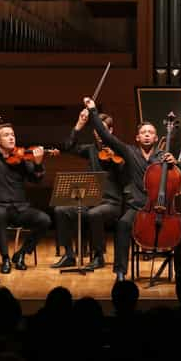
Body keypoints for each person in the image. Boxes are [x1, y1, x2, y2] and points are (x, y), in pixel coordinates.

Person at [83, 96, 181, 282]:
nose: (147, 134)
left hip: (163, 208)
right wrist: (93, 111)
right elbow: (106, 136)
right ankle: (120, 273)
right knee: (123, 224)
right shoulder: (129, 152)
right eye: (143, 132)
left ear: (156, 138)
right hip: (137, 208)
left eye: (151, 132)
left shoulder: (163, 157)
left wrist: (177, 164)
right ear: (137, 137)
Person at [0, 112, 52, 273]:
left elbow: (36, 180)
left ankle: (21, 253)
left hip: (19, 209)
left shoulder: (22, 158)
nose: (11, 138)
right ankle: (5, 259)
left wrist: (37, 164)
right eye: (6, 135)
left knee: (44, 220)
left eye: (12, 135)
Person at [52, 108, 124, 270]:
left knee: (94, 214)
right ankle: (69, 255)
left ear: (110, 131)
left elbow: (126, 174)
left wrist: (117, 159)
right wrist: (79, 125)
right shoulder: (91, 150)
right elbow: (68, 146)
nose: (99, 133)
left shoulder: (120, 150)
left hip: (111, 203)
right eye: (97, 129)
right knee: (60, 210)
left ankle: (99, 256)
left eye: (103, 129)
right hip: (91, 200)